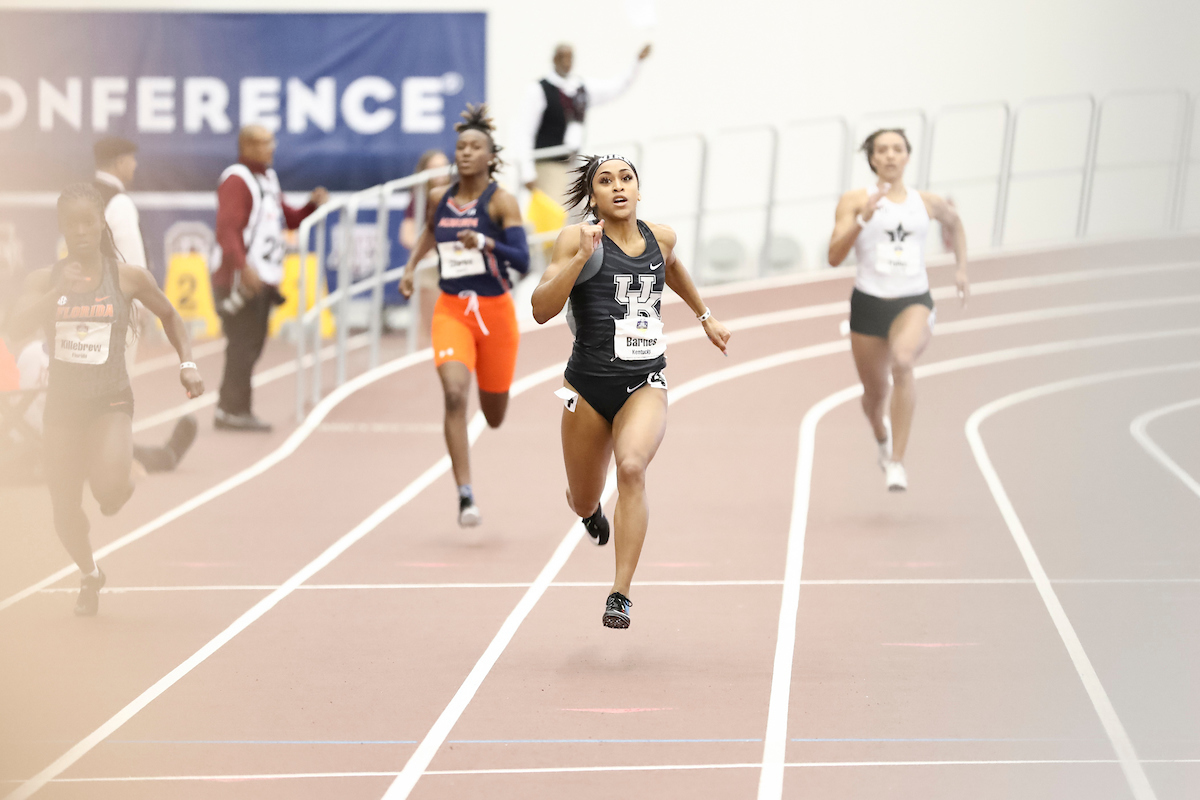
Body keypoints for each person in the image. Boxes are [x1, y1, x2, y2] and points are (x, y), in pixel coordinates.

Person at [531, 154, 731, 629]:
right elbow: (540, 309)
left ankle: (619, 593)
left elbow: (672, 267)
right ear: (593, 196)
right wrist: (580, 258)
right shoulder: (574, 239)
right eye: (606, 181)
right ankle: (588, 512)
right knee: (584, 498)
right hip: (586, 386)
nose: (618, 186)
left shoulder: (661, 237)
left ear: (639, 190)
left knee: (632, 468)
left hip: (644, 381)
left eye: (626, 179)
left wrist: (705, 316)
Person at [7, 183, 205, 616]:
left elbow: (170, 315)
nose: (80, 231)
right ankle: (90, 573)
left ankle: (120, 482)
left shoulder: (127, 277)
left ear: (101, 224)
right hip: (63, 407)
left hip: (109, 399)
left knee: (108, 490)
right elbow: (14, 325)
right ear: (61, 228)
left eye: (88, 222)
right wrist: (57, 296)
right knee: (64, 511)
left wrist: (187, 364)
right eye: (71, 224)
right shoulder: (45, 280)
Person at [399, 106, 530, 527]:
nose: (466, 152)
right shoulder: (440, 198)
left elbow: (523, 260)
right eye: (461, 147)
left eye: (475, 147)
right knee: (455, 394)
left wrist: (486, 244)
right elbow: (429, 231)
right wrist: (410, 268)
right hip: (452, 309)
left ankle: (490, 408)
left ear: (490, 156)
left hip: (495, 314)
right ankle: (465, 494)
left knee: (494, 416)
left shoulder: (501, 201)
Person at [827, 129, 969, 492]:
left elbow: (955, 224)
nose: (890, 155)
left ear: (907, 156)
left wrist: (961, 269)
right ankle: (881, 435)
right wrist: (862, 220)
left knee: (903, 362)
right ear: (872, 158)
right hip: (868, 304)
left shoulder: (927, 202)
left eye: (897, 149)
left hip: (913, 300)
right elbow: (834, 256)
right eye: (883, 150)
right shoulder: (854, 200)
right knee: (874, 398)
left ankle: (897, 463)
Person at [212, 125, 328, 432]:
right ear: (247, 146)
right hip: (238, 280)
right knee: (242, 345)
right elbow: (227, 230)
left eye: (271, 141)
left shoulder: (267, 178)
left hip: (261, 278)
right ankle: (231, 410)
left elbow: (286, 219)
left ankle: (234, 408)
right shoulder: (237, 180)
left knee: (252, 345)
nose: (272, 147)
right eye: (264, 143)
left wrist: (310, 206)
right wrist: (243, 268)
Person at [93, 136, 199, 468]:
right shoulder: (119, 202)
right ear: (120, 162)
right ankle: (115, 460)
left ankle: (103, 453)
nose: (135, 166)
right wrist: (140, 308)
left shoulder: (84, 195)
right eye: (132, 160)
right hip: (117, 310)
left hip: (85, 306)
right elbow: (132, 260)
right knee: (117, 389)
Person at [516, 42, 652, 206]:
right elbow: (524, 131)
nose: (566, 62)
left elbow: (615, 88)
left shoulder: (580, 87)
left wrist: (637, 63)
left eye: (570, 58)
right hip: (549, 162)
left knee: (579, 210)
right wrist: (527, 171)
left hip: (576, 162)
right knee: (554, 212)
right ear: (554, 59)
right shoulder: (539, 89)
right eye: (562, 57)